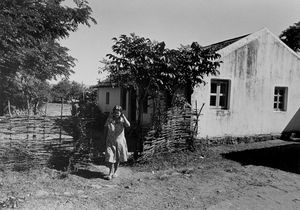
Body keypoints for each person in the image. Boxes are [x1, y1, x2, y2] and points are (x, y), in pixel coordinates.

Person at [104, 105, 130, 180]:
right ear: (113, 112)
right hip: (110, 141)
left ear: (121, 113)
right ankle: (110, 173)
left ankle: (115, 172)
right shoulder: (110, 119)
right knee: (110, 157)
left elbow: (128, 125)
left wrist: (124, 117)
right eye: (115, 112)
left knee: (117, 159)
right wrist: (104, 138)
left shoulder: (122, 119)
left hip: (119, 142)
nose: (116, 114)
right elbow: (105, 127)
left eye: (118, 113)